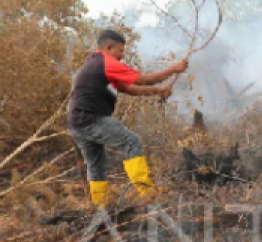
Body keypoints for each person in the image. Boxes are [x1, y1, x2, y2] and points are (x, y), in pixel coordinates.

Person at [68, 29, 188, 206]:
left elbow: (129, 89)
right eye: (121, 51)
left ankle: (100, 205)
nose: (122, 56)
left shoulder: (95, 64)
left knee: (96, 165)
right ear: (109, 47)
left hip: (76, 124)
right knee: (132, 142)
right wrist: (173, 69)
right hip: (91, 118)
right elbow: (143, 80)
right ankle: (148, 194)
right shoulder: (106, 62)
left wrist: (159, 90)